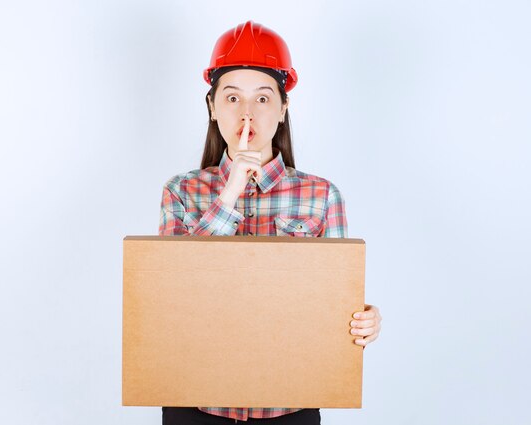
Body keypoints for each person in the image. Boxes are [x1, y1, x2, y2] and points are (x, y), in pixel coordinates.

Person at [158, 20, 382, 424]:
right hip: (197, 402)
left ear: (282, 109)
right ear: (212, 108)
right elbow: (173, 294)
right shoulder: (181, 191)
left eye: (262, 99)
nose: (247, 112)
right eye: (231, 98)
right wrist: (230, 193)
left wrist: (362, 321)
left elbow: (331, 310)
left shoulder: (322, 196)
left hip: (288, 407)